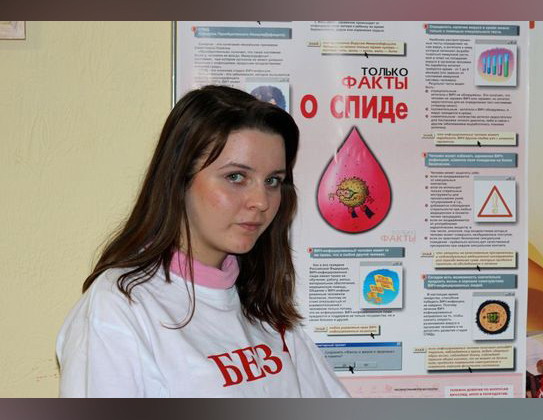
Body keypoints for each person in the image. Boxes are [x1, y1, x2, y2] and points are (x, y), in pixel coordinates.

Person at [56, 85, 350, 398]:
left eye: (272, 181)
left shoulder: (263, 303)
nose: (261, 201)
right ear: (179, 178)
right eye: (236, 177)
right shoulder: (120, 306)